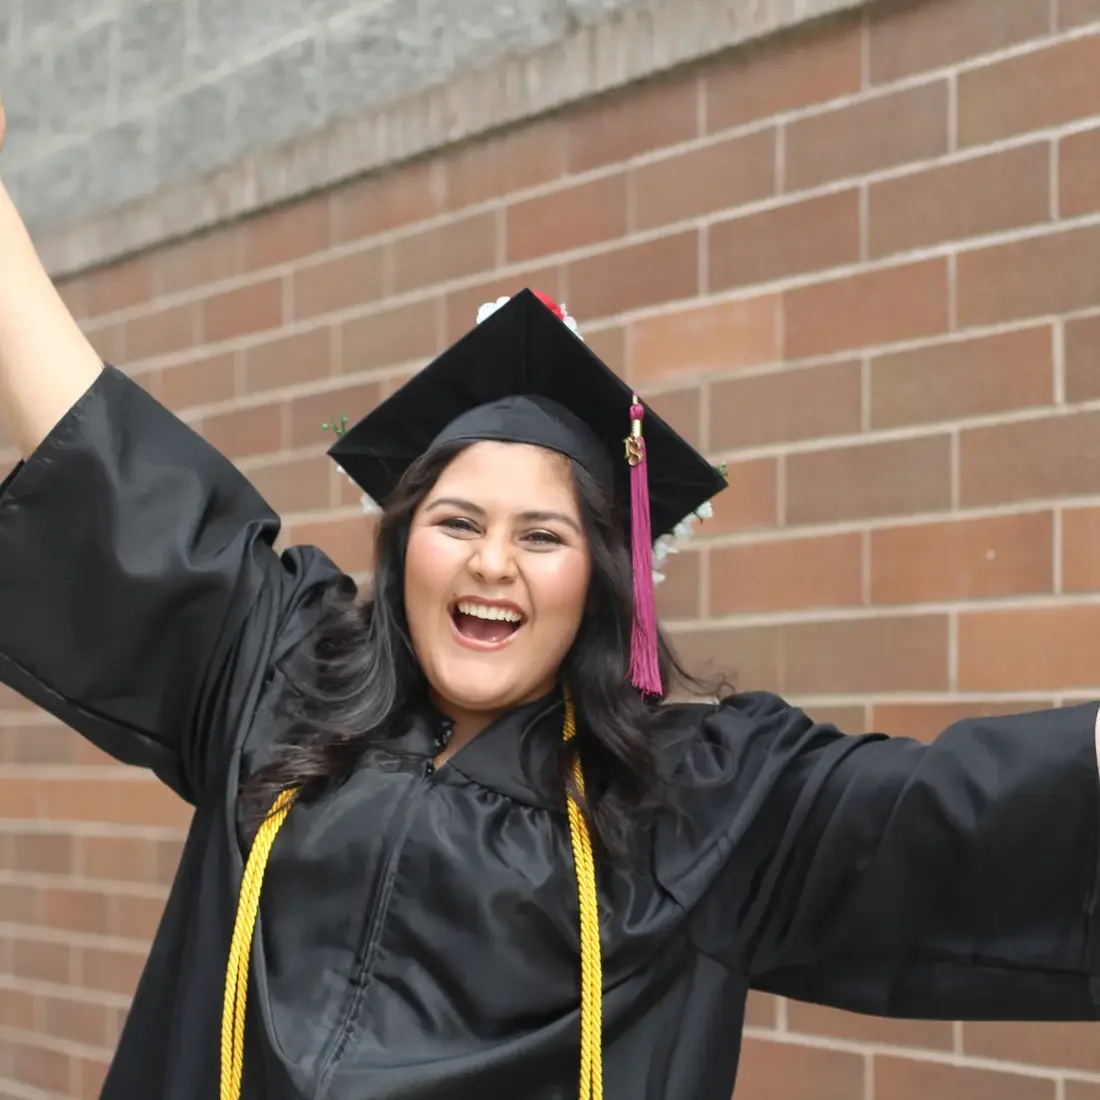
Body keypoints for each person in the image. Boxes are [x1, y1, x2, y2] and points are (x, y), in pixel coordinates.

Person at [2, 97, 1100, 1100]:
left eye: (542, 534)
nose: (492, 563)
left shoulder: (689, 808)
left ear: (598, 579)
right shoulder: (277, 683)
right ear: (402, 548)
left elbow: (948, 811)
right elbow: (108, 464)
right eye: (457, 521)